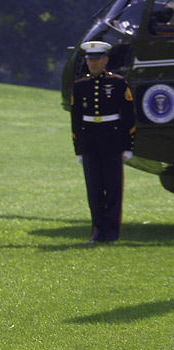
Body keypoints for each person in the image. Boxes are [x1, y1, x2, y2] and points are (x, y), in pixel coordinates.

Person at [70, 41, 136, 243]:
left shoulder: (117, 83)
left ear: (105, 60)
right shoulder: (80, 86)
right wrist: (78, 149)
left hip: (112, 142)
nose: (94, 63)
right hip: (90, 143)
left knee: (113, 189)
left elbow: (128, 116)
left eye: (97, 60)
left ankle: (111, 232)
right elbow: (76, 119)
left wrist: (128, 145)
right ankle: (98, 230)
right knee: (94, 190)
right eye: (90, 60)